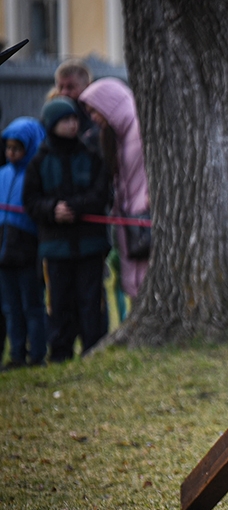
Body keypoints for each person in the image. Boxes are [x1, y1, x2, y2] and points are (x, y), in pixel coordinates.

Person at [23, 98, 110, 362]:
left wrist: (75, 207)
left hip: (90, 245)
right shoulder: (39, 162)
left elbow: (102, 193)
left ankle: (92, 349)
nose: (72, 125)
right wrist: (53, 210)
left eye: (74, 119)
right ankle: (60, 352)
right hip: (56, 247)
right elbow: (31, 200)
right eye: (65, 120)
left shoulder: (91, 155)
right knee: (59, 303)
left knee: (91, 301)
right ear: (52, 124)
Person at [79, 78, 151, 299]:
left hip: (144, 220)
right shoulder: (116, 137)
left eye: (95, 110)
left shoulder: (140, 129)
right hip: (129, 223)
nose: (93, 118)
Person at [0, 117, 47, 368]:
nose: (11, 153)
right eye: (8, 148)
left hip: (28, 250)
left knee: (32, 305)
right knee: (11, 307)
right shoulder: (2, 175)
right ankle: (16, 352)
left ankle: (37, 353)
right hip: (4, 251)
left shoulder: (36, 173)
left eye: (17, 148)